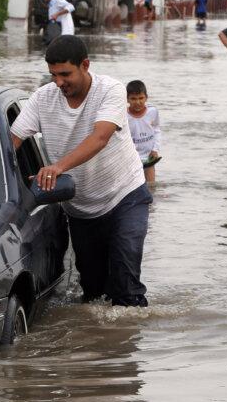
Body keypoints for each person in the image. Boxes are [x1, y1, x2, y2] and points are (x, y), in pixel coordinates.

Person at [10, 35, 152, 307]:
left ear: (85, 65)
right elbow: (11, 141)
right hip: (80, 209)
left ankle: (129, 341)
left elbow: (100, 138)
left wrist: (57, 167)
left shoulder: (110, 90)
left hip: (126, 196)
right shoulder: (42, 98)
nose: (59, 82)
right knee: (93, 292)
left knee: (125, 282)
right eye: (53, 75)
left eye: (65, 74)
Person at [125, 80, 163, 184]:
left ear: (146, 97)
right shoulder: (124, 115)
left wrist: (155, 149)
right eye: (133, 99)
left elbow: (156, 130)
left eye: (141, 98)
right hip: (131, 157)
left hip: (149, 156)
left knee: (151, 185)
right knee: (133, 186)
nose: (138, 102)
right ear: (127, 99)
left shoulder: (152, 111)